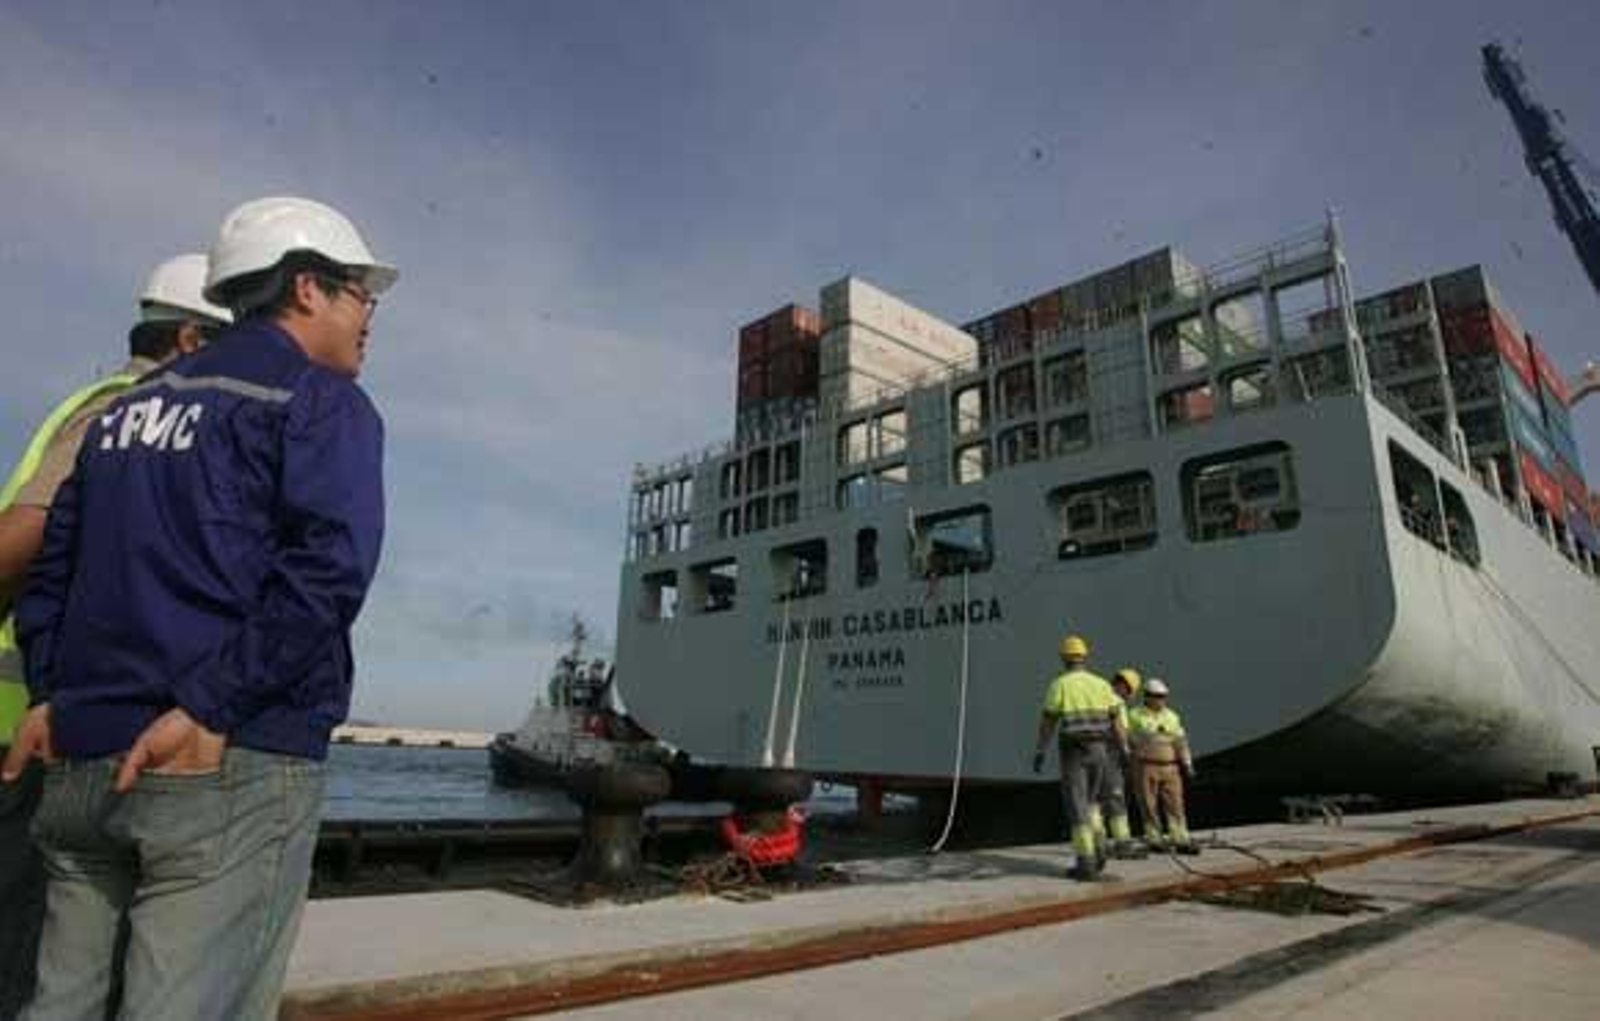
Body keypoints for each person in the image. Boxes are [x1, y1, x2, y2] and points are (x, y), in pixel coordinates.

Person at [5, 196, 396, 1021]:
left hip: (81, 751)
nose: (371, 315)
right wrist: (211, 703)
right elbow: (328, 572)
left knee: (59, 1004)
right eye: (363, 293)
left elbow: (52, 568)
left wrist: (49, 692)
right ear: (306, 289)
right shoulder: (319, 401)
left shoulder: (119, 414)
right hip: (222, 761)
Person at [0, 254, 230, 1021]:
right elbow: (24, 538)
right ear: (194, 338)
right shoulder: (131, 409)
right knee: (34, 968)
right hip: (40, 733)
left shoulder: (96, 401)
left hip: (53, 719)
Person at [1031, 634, 1131, 879]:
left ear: (1064, 658)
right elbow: (1116, 720)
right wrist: (1125, 750)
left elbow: (1049, 720)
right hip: (1100, 749)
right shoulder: (1101, 685)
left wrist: (1040, 750)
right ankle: (1100, 846)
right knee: (1094, 802)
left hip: (1073, 750)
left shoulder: (1060, 684)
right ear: (1084, 657)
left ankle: (1086, 861)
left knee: (1077, 806)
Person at [1128, 678, 1200, 855]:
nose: (1161, 700)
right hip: (1146, 766)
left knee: (1175, 803)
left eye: (1163, 696)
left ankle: (1180, 838)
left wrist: (1188, 764)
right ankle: (1154, 839)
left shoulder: (1172, 716)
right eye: (1157, 696)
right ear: (1147, 696)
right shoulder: (1134, 715)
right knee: (1148, 803)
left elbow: (1181, 743)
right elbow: (1128, 740)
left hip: (1170, 766)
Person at [1108, 667, 1145, 844]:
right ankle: (1122, 841)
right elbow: (1120, 729)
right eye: (1130, 691)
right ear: (1125, 687)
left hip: (1089, 756)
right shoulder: (1116, 702)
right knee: (1116, 797)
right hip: (1110, 757)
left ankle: (1097, 843)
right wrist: (1127, 752)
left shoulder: (1098, 695)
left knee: (1094, 801)